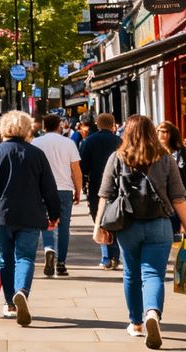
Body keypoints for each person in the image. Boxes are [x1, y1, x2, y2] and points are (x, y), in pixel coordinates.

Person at [92, 115, 186, 349]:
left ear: (126, 132)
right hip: (159, 224)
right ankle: (152, 314)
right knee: (153, 275)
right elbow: (178, 198)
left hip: (128, 225)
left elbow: (104, 196)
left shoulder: (117, 157)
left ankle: (136, 323)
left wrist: (98, 226)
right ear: (151, 132)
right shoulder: (165, 158)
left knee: (131, 274)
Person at [0, 110, 61, 327]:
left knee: (5, 259)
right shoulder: (37, 154)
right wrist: (54, 215)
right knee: (25, 257)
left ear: (3, 128)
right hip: (31, 216)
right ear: (27, 129)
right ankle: (22, 291)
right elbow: (49, 188)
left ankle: (10, 304)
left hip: (2, 216)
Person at [31, 114, 82, 277]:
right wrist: (78, 190)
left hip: (42, 189)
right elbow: (75, 169)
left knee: (47, 222)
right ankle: (61, 263)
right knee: (64, 226)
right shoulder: (69, 143)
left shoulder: (36, 143)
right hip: (64, 189)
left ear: (44, 126)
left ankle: (49, 248)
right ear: (59, 126)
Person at [79, 112, 122, 270]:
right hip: (118, 186)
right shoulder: (120, 141)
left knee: (100, 219)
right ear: (113, 126)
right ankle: (116, 255)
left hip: (97, 185)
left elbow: (83, 166)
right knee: (117, 219)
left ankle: (106, 258)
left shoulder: (89, 141)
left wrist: (83, 185)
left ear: (97, 124)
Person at [157, 121, 186, 200]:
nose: (163, 134)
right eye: (160, 132)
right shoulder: (154, 153)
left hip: (178, 198)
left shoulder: (184, 153)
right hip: (161, 199)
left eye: (165, 132)